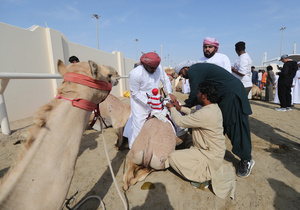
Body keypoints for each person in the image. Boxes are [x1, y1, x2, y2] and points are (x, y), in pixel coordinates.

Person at [174, 61, 254, 178]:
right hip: (224, 96)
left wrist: (185, 106)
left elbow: (195, 93)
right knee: (220, 124)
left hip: (231, 94)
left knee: (234, 126)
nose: (182, 76)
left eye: (181, 73)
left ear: (185, 68)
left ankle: (246, 159)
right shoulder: (198, 69)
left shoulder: (193, 70)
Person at [165, 81, 235, 199]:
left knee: (172, 157)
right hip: (212, 151)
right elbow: (195, 112)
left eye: (198, 93)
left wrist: (172, 109)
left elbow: (180, 121)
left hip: (209, 156)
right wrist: (180, 108)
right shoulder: (213, 108)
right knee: (188, 138)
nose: (197, 95)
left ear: (204, 96)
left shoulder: (205, 114)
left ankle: (203, 177)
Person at [123, 52, 176, 149]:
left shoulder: (158, 68)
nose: (155, 70)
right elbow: (134, 93)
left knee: (163, 121)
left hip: (155, 100)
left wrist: (169, 93)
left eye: (156, 67)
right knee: (139, 127)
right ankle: (135, 150)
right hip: (140, 103)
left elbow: (166, 80)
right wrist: (148, 101)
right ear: (145, 64)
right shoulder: (135, 73)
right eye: (152, 68)